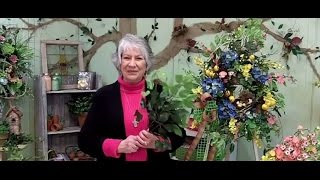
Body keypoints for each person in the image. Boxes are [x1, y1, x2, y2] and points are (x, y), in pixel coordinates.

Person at [78, 33, 186, 161]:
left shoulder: (159, 93)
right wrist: (118, 146)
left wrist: (158, 142)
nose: (132, 64)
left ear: (147, 64)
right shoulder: (104, 96)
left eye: (139, 58)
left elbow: (179, 137)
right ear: (119, 62)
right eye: (127, 58)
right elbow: (85, 141)